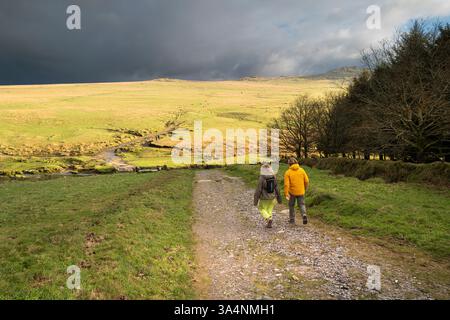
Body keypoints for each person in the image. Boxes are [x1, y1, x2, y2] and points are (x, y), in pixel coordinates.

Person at [254, 163, 282, 228]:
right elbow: (277, 188)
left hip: (264, 198)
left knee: (261, 208)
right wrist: (279, 199)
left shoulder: (262, 178)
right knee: (269, 210)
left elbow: (258, 190)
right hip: (273, 198)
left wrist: (255, 201)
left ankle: (268, 218)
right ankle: (269, 221)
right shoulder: (274, 176)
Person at [284, 158, 309, 225]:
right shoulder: (302, 170)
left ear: (289, 164)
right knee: (302, 204)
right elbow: (306, 181)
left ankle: (292, 220)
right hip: (301, 191)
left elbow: (286, 184)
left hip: (292, 192)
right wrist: (305, 189)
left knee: (291, 205)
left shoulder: (288, 172)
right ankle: (304, 215)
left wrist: (286, 193)